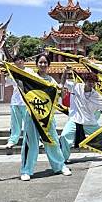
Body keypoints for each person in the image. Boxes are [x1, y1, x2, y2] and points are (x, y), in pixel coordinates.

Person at [19, 53, 70, 181]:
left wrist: (62, 92)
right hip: (32, 115)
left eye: (45, 62)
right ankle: (26, 170)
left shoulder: (51, 80)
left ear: (48, 65)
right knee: (31, 143)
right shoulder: (30, 77)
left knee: (52, 141)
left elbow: (60, 95)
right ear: (36, 64)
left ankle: (60, 166)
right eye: (40, 62)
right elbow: (21, 85)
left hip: (47, 116)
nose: (42, 65)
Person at [59, 67, 102, 162]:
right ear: (85, 81)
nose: (91, 84)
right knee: (64, 136)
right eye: (89, 81)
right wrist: (65, 71)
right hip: (74, 120)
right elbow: (63, 82)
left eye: (93, 82)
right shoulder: (75, 87)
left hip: (89, 122)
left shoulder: (95, 94)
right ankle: (63, 159)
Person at [5, 55, 32, 151]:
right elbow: (5, 83)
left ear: (24, 61)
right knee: (15, 123)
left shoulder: (30, 71)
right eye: (17, 60)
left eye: (21, 59)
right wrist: (2, 74)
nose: (19, 61)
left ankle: (32, 140)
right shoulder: (11, 72)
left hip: (27, 101)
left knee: (29, 123)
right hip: (15, 101)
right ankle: (13, 140)